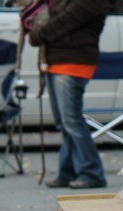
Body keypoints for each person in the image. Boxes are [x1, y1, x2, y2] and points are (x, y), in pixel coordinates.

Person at [28, 0, 113, 189]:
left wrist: (35, 35)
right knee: (64, 123)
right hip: (56, 61)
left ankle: (92, 172)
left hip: (74, 63)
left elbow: (61, 23)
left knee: (72, 121)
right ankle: (68, 171)